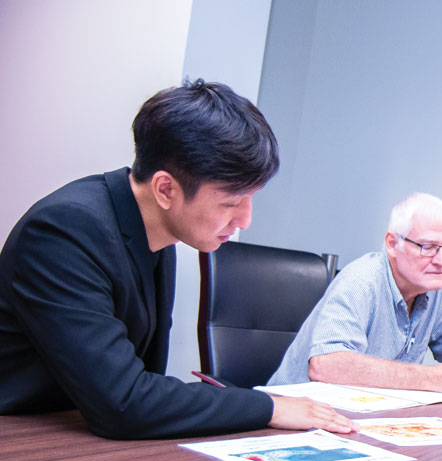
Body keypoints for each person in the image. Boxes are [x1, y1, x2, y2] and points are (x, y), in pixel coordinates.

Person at [0, 80, 355, 439]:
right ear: (166, 189)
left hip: (79, 434)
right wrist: (270, 406)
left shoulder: (158, 231)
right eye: (231, 202)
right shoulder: (64, 230)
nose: (245, 220)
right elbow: (124, 401)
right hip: (23, 440)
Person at [269, 193, 442, 395]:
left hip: (370, 414)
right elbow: (327, 366)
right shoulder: (361, 281)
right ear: (393, 244)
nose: (441, 260)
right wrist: (433, 377)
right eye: (428, 247)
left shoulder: (439, 291)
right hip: (294, 416)